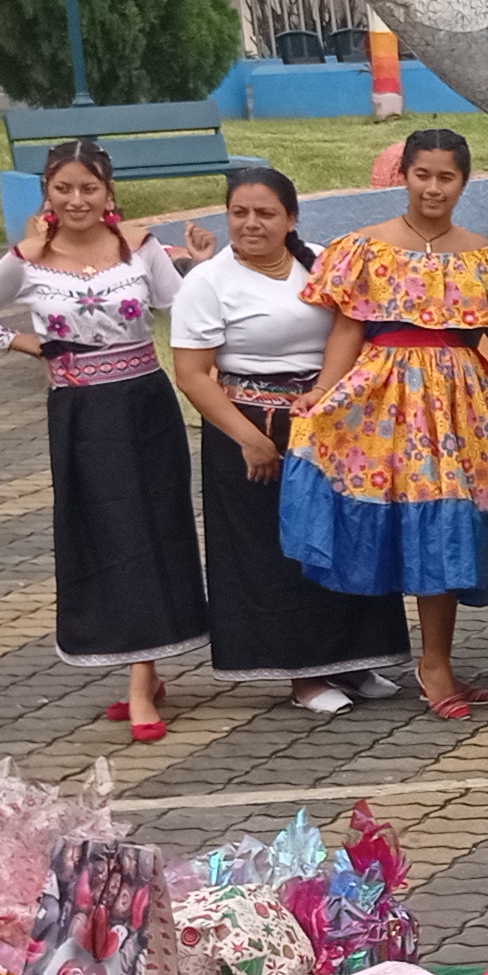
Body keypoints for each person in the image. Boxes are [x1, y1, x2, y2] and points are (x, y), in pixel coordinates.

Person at [0, 139, 214, 737]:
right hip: (80, 413)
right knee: (108, 533)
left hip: (145, 404)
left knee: (155, 526)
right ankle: (141, 671)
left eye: (89, 188)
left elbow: (181, 310)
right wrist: (28, 344)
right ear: (47, 193)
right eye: (63, 188)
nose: (77, 200)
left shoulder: (138, 248)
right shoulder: (27, 260)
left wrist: (198, 267)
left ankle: (143, 679)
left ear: (108, 192)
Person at [282, 127, 488, 720]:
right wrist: (323, 393)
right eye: (423, 175)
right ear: (403, 175)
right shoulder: (367, 247)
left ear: (464, 181)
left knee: (447, 524)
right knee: (395, 523)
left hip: (457, 406)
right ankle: (400, 661)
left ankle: (437, 662)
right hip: (384, 402)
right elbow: (348, 328)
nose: (434, 188)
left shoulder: (482, 254)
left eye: (447, 177)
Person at [166, 165, 411, 716]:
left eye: (265, 213)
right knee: (277, 552)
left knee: (346, 538)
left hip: (328, 422)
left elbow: (353, 328)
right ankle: (303, 673)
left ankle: (355, 658)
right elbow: (193, 376)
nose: (251, 224)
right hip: (251, 428)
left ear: (291, 218)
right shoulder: (208, 282)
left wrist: (325, 395)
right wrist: (250, 439)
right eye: (239, 213)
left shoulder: (319, 262)